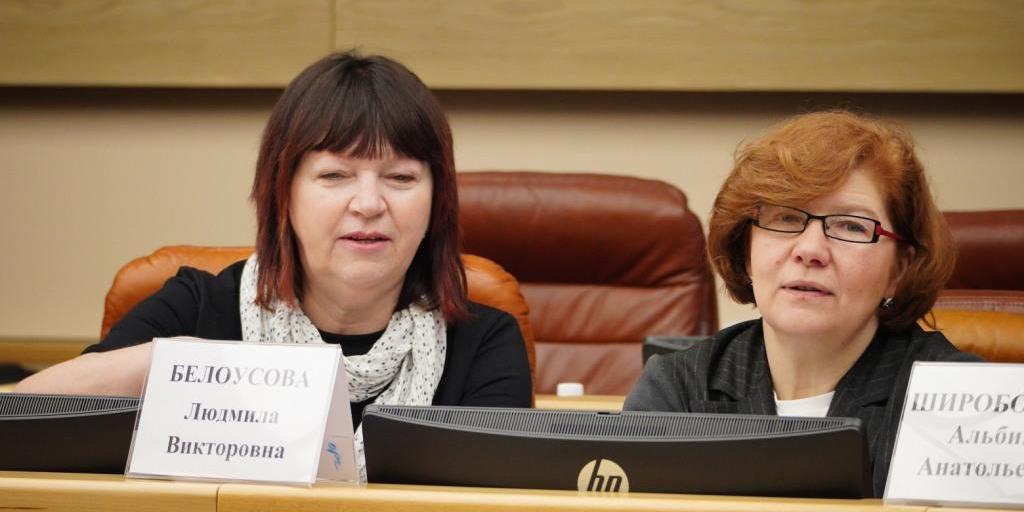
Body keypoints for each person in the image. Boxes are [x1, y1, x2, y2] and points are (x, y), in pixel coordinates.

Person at [16, 51, 533, 474]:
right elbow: (22, 419)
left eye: (400, 178)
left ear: (436, 201)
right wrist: (179, 364)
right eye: (334, 176)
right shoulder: (198, 307)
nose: (368, 204)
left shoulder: (482, 343)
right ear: (283, 193)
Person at [625, 110, 981, 497]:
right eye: (785, 218)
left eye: (851, 226)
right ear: (746, 250)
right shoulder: (679, 388)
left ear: (900, 268)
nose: (810, 250)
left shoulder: (961, 400)